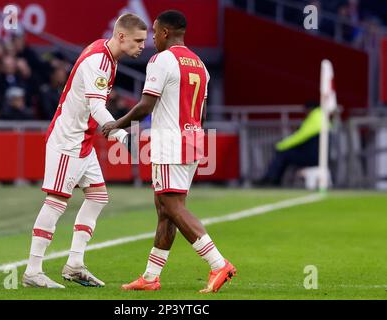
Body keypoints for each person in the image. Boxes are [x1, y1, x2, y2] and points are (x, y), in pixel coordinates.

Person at [103, 10, 236, 293]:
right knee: (166, 210)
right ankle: (151, 277)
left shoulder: (162, 60)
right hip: (194, 139)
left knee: (173, 207)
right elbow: (200, 110)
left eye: (153, 31)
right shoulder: (201, 65)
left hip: (170, 142)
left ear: (165, 32)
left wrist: (117, 123)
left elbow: (145, 106)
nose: (152, 37)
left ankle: (217, 263)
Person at [22, 13, 147, 289]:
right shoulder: (98, 61)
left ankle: (75, 264)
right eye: (138, 40)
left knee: (98, 197)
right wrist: (121, 136)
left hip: (83, 140)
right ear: (122, 36)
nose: (142, 45)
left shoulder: (107, 57)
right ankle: (33, 270)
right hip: (68, 140)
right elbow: (96, 108)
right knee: (56, 202)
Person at [255, 101, 323, 186]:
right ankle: (273, 179)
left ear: (310, 109)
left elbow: (300, 137)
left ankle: (271, 180)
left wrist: (281, 145)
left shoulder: (316, 118)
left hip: (313, 157)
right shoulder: (321, 117)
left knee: (283, 154)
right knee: (285, 154)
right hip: (317, 156)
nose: (305, 113)